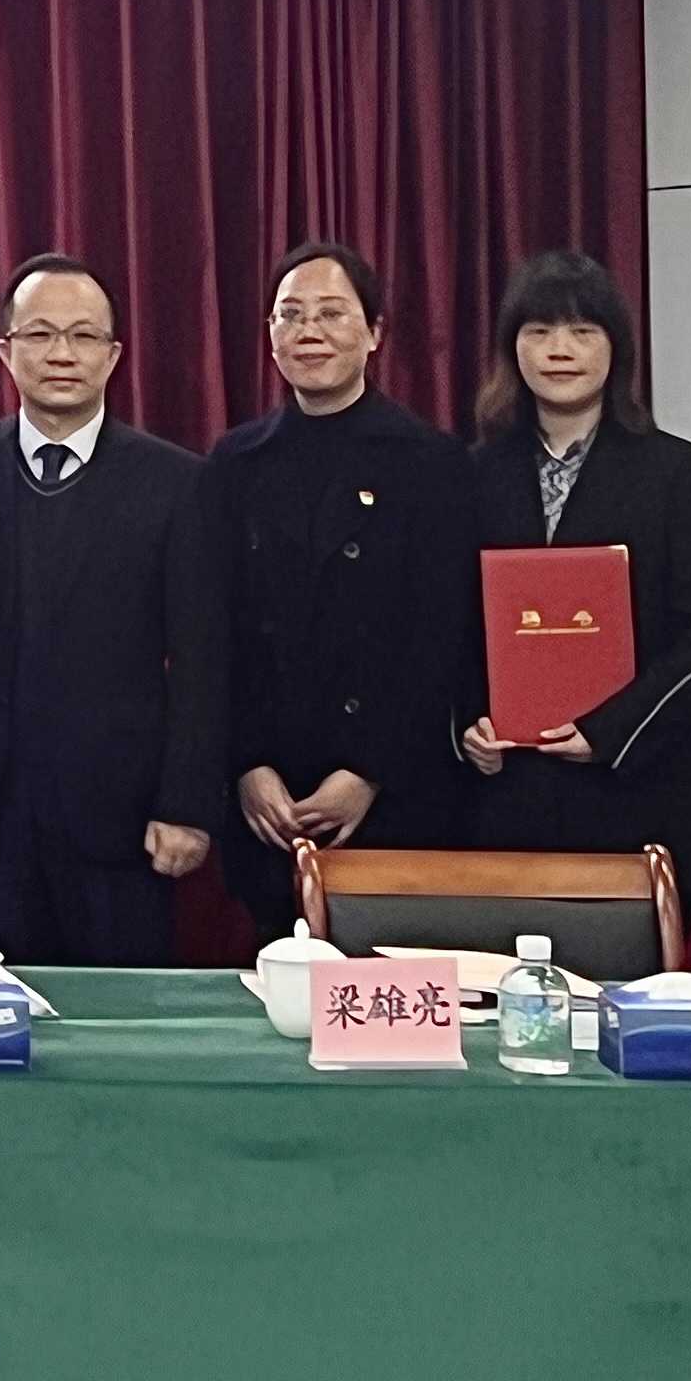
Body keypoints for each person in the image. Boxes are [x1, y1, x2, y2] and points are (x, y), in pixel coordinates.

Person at [0, 253, 226, 965]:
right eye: (40, 334)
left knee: (120, 1018)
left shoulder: (176, 483)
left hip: (123, 817)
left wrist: (187, 805)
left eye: (83, 336)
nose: (61, 354)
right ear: (5, 350)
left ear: (113, 355)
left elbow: (203, 661)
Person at [197, 238, 478, 930]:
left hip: (391, 793)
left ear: (375, 332)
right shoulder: (235, 461)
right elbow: (212, 630)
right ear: (270, 334)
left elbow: (441, 636)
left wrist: (367, 772)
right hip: (271, 799)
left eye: (331, 313)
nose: (309, 331)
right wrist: (246, 766)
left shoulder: (432, 462)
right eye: (290, 315)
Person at [457, 249, 691, 913]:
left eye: (582, 331)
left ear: (617, 349)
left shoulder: (676, 471)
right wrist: (465, 726)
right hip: (505, 803)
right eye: (539, 331)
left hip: (638, 797)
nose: (560, 350)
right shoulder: (471, 473)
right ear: (512, 348)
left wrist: (609, 731)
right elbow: (446, 625)